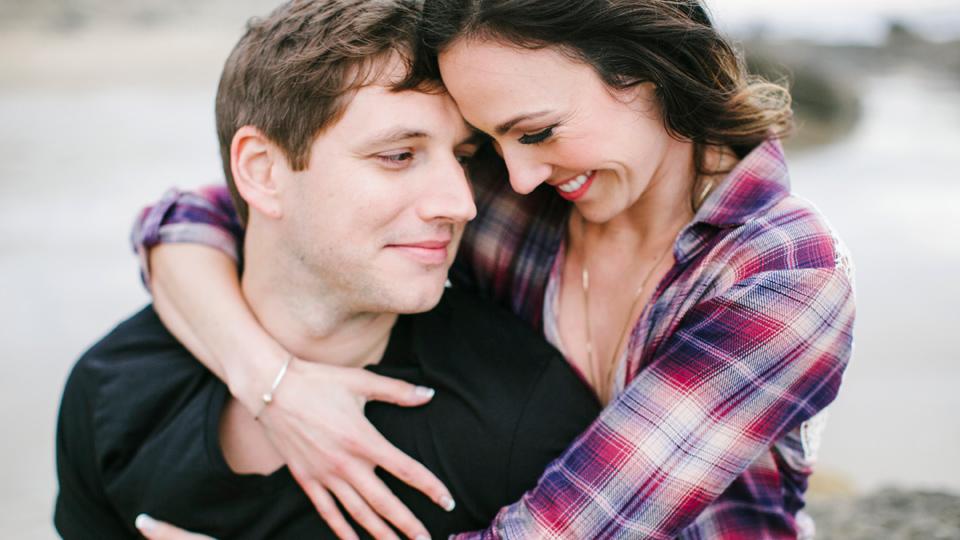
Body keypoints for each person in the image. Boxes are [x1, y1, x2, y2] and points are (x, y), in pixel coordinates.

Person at [130, 0, 857, 538]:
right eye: (488, 144)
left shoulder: (782, 273)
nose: (517, 175)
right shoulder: (520, 200)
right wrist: (274, 386)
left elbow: (568, 532)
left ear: (645, 70)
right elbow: (204, 215)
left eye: (536, 132)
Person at [52, 1, 603, 539]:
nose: (460, 204)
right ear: (263, 171)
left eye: (463, 157)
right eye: (399, 155)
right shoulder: (109, 391)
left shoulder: (527, 417)